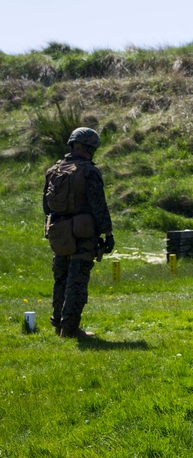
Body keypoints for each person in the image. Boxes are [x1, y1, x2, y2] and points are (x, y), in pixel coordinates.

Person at [43, 127, 114, 338]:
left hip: (59, 231)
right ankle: (71, 329)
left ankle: (58, 324)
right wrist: (108, 233)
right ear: (89, 148)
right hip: (83, 233)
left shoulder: (53, 171)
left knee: (61, 278)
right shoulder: (89, 171)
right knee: (77, 280)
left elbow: (47, 206)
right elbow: (98, 205)